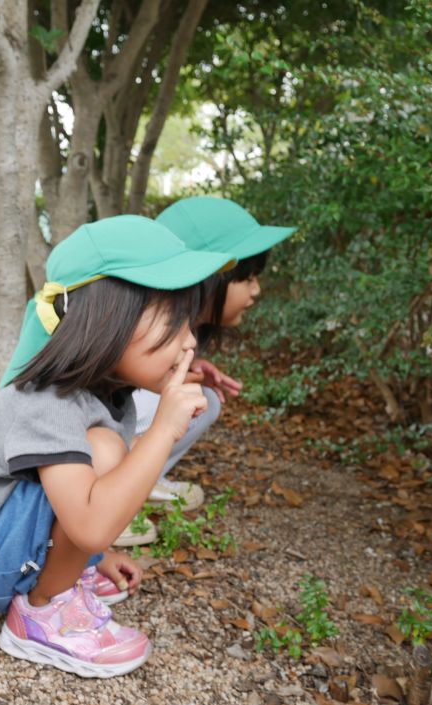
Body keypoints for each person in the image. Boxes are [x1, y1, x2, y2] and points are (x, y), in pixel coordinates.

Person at [0, 215, 235, 678]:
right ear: (107, 317)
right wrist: (164, 429)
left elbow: (80, 510)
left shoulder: (108, 394)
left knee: (108, 456)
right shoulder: (49, 399)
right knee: (106, 452)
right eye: (174, 318)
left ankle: (62, 579)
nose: (189, 338)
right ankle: (43, 612)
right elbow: (88, 520)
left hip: (6, 548)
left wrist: (95, 557)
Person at [115, 196, 296, 547]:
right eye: (248, 277)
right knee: (180, 399)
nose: (256, 290)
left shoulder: (179, 322)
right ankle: (109, 498)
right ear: (212, 277)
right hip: (71, 456)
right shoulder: (143, 321)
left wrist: (184, 368)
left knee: (205, 400)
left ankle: (138, 483)